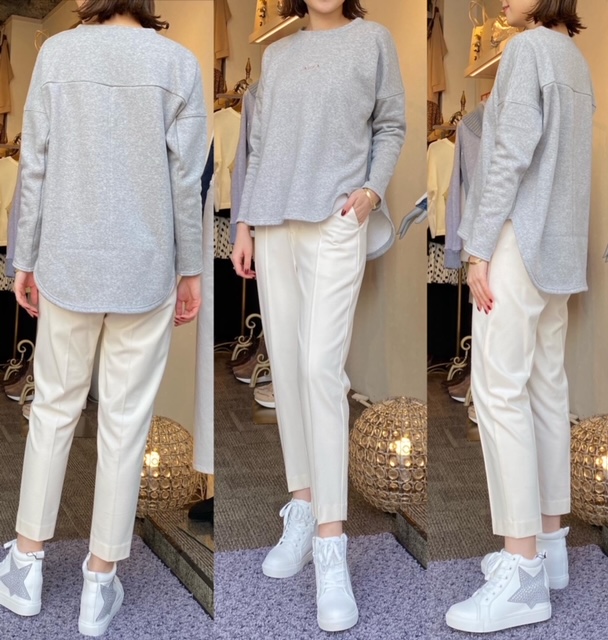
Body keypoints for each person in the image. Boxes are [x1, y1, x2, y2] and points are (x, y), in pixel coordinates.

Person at [0, 0, 207, 636]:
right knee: (125, 421)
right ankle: (99, 580)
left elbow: (35, 163)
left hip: (68, 262)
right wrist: (191, 268)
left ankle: (26, 566)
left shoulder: (58, 53)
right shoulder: (178, 64)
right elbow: (186, 181)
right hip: (146, 269)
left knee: (53, 411)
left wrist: (23, 257)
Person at [231, 0, 405, 632]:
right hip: (273, 222)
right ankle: (302, 507)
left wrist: (371, 193)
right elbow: (257, 146)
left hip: (336, 220)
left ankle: (332, 547)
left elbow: (391, 124)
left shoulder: (373, 40)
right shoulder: (277, 54)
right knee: (286, 370)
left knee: (320, 370)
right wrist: (244, 223)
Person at [446, 0, 594, 633]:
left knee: (498, 392)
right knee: (544, 389)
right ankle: (550, 547)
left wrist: (478, 246)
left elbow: (508, 154)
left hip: (517, 242)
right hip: (559, 251)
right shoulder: (575, 60)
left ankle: (523, 570)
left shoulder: (527, 50)